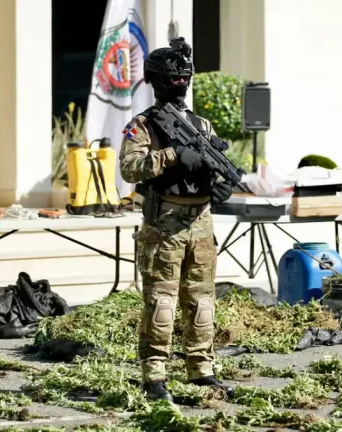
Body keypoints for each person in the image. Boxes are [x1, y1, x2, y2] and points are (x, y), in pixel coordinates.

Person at [119, 37, 234, 402]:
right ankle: (154, 376)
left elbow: (217, 170)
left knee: (202, 302)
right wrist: (170, 156)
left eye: (185, 77)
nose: (181, 84)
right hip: (164, 224)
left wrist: (218, 188)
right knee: (162, 303)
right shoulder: (143, 125)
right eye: (173, 78)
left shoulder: (202, 125)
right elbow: (129, 167)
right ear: (157, 81)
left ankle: (201, 369)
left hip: (201, 223)